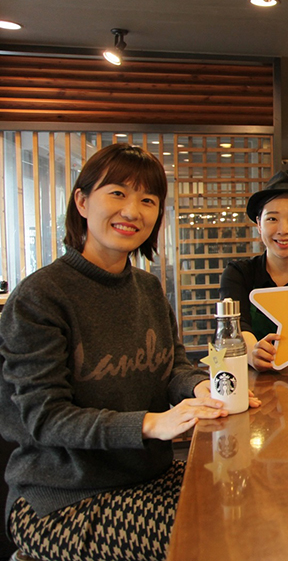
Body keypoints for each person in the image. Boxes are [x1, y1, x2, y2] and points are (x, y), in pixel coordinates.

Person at [0, 143, 260, 561]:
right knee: (216, 542)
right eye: (118, 193)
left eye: (148, 200)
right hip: (62, 499)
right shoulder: (40, 297)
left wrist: (205, 389)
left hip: (149, 476)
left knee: (255, 503)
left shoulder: (148, 288)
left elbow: (172, 368)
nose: (132, 211)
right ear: (82, 202)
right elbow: (45, 418)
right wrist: (152, 423)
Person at [219, 170, 288, 370]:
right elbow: (237, 326)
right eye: (272, 219)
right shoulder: (238, 274)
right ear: (259, 224)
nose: (283, 230)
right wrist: (253, 352)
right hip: (250, 380)